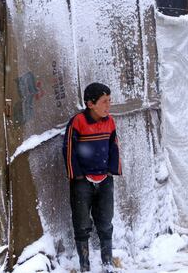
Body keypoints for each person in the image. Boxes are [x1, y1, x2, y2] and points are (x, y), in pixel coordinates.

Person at [63, 83, 122, 272]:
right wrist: (77, 176)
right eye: (104, 102)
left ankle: (107, 264)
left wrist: (112, 171)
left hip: (104, 179)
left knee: (105, 222)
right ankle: (84, 266)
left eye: (109, 101)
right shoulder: (78, 122)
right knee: (81, 225)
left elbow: (114, 146)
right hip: (82, 182)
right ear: (90, 104)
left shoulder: (110, 121)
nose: (108, 105)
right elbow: (68, 150)